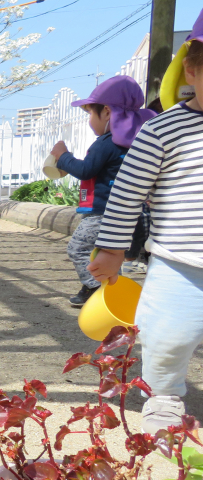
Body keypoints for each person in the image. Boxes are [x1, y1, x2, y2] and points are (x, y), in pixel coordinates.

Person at [88, 17, 203, 434]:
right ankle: (164, 393)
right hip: (181, 262)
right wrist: (113, 250)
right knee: (168, 335)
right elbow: (127, 194)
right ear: (191, 69)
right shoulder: (164, 129)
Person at [49, 76, 156, 307]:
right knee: (106, 253)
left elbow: (86, 170)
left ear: (106, 112)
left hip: (103, 213)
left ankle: (97, 289)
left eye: (90, 113)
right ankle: (101, 286)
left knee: (78, 248)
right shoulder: (135, 143)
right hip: (131, 212)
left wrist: (62, 156)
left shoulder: (105, 143)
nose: (89, 120)